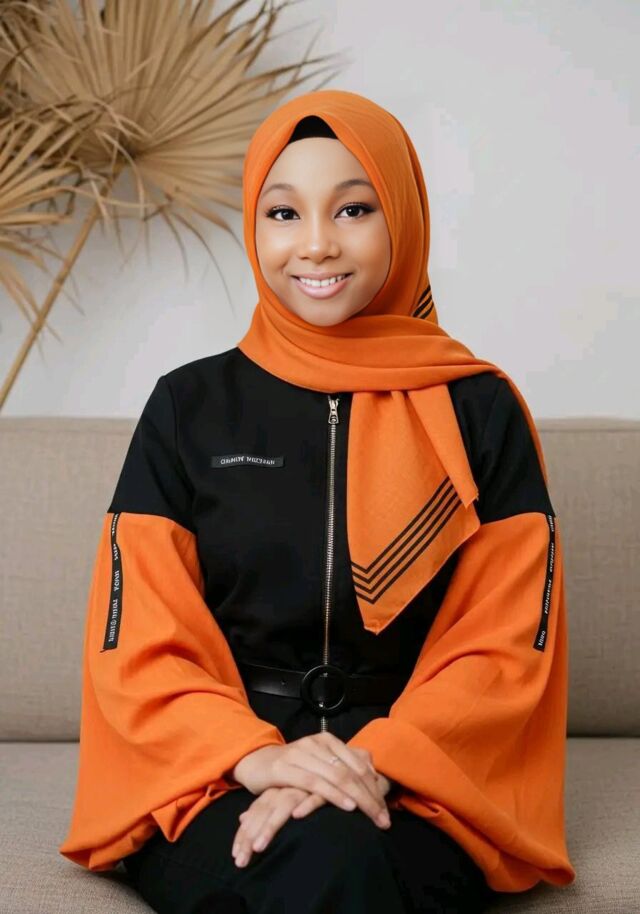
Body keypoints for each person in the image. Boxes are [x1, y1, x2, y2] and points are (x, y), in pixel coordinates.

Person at [58, 90, 577, 913]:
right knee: (319, 861)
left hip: (422, 779)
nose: (316, 243)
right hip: (215, 773)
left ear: (402, 218)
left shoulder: (480, 411)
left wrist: (374, 760)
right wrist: (258, 759)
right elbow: (139, 641)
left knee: (339, 857)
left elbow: (506, 645)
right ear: (253, 227)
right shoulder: (189, 406)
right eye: (283, 212)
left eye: (353, 208)